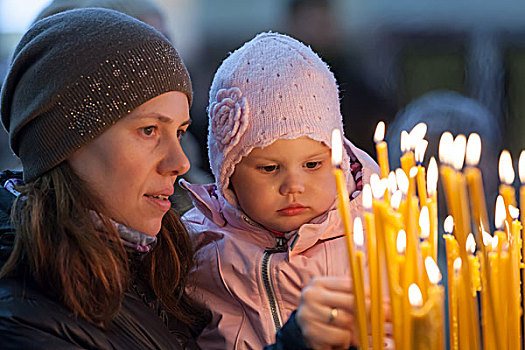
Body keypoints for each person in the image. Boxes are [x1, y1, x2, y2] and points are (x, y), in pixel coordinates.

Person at [0, 8, 211, 348]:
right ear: (68, 142)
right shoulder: (24, 318)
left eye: (181, 131)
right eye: (149, 130)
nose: (180, 162)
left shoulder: (168, 263)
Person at [181, 32, 382, 349]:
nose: (293, 186)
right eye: (269, 169)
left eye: (313, 165)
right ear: (228, 174)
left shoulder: (372, 231)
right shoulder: (195, 245)